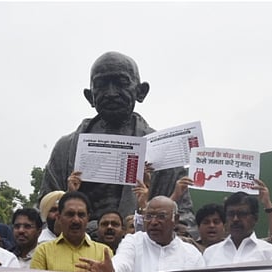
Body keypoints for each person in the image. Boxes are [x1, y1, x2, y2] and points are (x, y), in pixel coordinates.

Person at [39, 51, 194, 231]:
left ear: (141, 92)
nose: (111, 93)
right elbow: (44, 212)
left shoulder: (162, 150)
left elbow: (185, 219)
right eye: (101, 85)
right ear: (90, 96)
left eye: (121, 83)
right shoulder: (66, 149)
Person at [77, 196, 204, 272]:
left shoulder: (191, 255)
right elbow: (123, 262)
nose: (153, 222)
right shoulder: (133, 241)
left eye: (161, 216)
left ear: (175, 220)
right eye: (148, 216)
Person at [31, 191, 113, 272]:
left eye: (81, 215)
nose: (76, 220)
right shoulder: (43, 251)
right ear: (59, 217)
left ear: (88, 218)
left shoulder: (104, 253)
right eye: (70, 214)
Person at [203, 191, 272, 266]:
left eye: (242, 214)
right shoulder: (210, 254)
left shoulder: (271, 254)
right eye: (231, 214)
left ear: (255, 218)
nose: (235, 219)